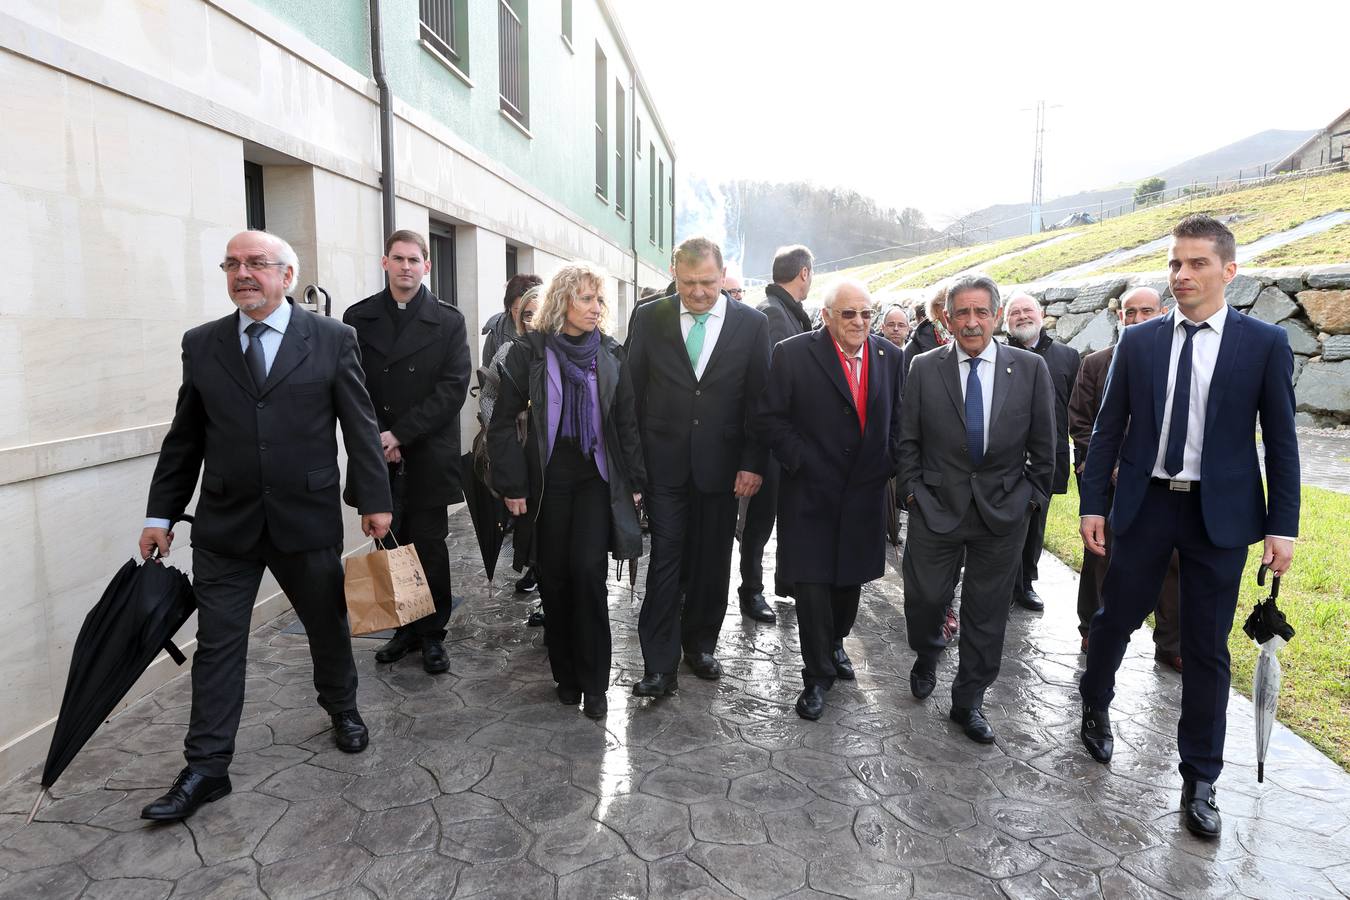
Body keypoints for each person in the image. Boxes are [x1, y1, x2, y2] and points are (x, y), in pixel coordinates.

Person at [138, 230, 392, 821]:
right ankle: (206, 767)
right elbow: (185, 439)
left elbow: (359, 425)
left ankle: (341, 708)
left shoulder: (332, 338)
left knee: (325, 627)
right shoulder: (202, 345)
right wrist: (161, 513)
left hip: (306, 518)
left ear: (287, 274)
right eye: (233, 264)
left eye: (257, 264)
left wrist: (374, 501)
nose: (243, 273)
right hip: (227, 524)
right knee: (219, 645)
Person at [1078, 215, 1299, 839]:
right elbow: (1107, 431)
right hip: (1145, 508)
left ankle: (1200, 779)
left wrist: (1283, 525)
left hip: (1218, 519)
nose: (1182, 275)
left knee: (1206, 649)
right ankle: (1094, 706)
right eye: (1175, 263)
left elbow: (1282, 443)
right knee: (1114, 618)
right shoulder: (1140, 343)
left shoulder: (1264, 345)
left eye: (1197, 263)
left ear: (1228, 271)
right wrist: (1093, 503)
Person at [898, 273, 1055, 744]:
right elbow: (907, 441)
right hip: (936, 508)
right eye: (961, 313)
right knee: (924, 600)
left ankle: (969, 700)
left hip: (1002, 515)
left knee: (987, 613)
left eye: (980, 312)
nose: (971, 323)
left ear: (996, 316)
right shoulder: (924, 367)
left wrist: (1030, 499)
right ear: (946, 318)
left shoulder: (1028, 370)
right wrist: (912, 495)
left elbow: (1046, 448)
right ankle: (927, 653)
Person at [488, 263, 646, 718]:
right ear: (562, 303)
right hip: (547, 485)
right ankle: (566, 675)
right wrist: (512, 484)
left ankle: (595, 684)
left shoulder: (611, 354)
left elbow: (625, 423)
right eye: (586, 299)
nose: (597, 308)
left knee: (588, 576)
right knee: (554, 579)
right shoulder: (529, 351)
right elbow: (500, 422)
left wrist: (635, 482)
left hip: (596, 481)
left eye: (599, 300)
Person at [627, 236, 771, 695]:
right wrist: (634, 469)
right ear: (675, 276)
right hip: (663, 466)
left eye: (708, 282)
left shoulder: (751, 324)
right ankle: (659, 663)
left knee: (712, 560)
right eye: (688, 283)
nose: (699, 293)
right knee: (665, 560)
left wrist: (752, 462)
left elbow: (759, 401)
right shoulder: (650, 317)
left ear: (722, 274)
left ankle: (700, 644)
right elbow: (631, 393)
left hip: (724, 467)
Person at [755, 278, 904, 720]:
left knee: (848, 583)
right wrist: (802, 461)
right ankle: (816, 674)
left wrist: (888, 461)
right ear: (826, 316)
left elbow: (900, 417)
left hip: (864, 492)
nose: (859, 322)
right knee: (812, 585)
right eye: (848, 314)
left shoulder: (891, 356)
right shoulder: (794, 353)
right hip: (810, 494)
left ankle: (837, 643)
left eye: (866, 314)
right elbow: (769, 419)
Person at [342, 230, 471, 674]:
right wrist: (379, 436)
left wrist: (402, 434)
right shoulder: (358, 318)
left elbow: (453, 389)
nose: (406, 267)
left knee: (430, 546)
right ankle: (403, 629)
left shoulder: (448, 321)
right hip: (376, 449)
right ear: (385, 263)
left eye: (414, 260)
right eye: (398, 259)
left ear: (426, 267)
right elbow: (352, 386)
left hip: (427, 451)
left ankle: (432, 634)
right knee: (390, 544)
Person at [1068, 287, 1181, 668]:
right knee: (1101, 556)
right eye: (1129, 312)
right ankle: (1091, 628)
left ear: (1162, 312)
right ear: (1120, 318)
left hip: (1165, 485)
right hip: (1111, 482)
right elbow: (1081, 423)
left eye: (1145, 311)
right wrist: (1113, 466)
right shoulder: (1097, 363)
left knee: (1172, 563)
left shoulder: (1178, 361)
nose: (1136, 319)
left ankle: (1171, 644)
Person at [738, 244, 815, 623]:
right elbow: (766, 388)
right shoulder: (773, 314)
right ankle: (750, 590)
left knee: (779, 515)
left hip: (782, 439)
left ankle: (783, 582)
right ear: (804, 273)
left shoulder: (785, 311)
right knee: (760, 520)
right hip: (770, 441)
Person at [1002, 292, 1081, 612]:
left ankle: (1026, 584)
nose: (1022, 316)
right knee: (1003, 524)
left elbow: (1077, 409)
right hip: (1004, 458)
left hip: (1048, 457)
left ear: (1042, 314)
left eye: (1027, 310)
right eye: (1014, 312)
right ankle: (1002, 584)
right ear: (1006, 321)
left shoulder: (1068, 356)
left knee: (1036, 523)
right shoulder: (997, 354)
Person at [481, 274, 543, 363]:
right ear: (509, 307)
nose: (523, 319)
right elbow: (487, 372)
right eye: (518, 311)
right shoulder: (497, 330)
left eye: (530, 313)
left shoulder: (552, 329)